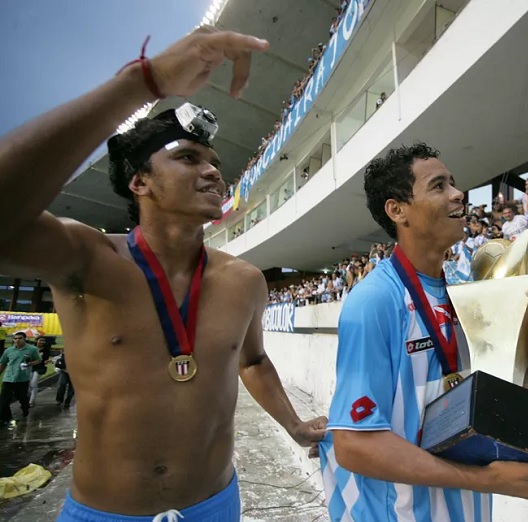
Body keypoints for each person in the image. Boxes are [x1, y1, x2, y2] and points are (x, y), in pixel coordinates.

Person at [0, 28, 326, 520]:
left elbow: (253, 362)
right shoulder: (86, 260)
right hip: (105, 512)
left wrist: (295, 425)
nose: (215, 171)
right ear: (139, 181)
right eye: (188, 158)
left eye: (215, 161)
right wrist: (140, 83)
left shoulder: (243, 281)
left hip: (214, 505)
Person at [318, 143, 528, 521]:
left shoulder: (463, 294)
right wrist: (486, 480)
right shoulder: (375, 300)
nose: (457, 193)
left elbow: (509, 386)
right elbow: (353, 445)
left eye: (453, 182)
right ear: (397, 210)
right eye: (438, 186)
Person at [0, 332, 42, 423]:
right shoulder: (8, 350)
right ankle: (6, 419)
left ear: (24, 339)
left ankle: (25, 410)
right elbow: (3, 363)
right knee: (4, 400)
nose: (17, 340)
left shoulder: (32, 349)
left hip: (22, 378)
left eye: (20, 338)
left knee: (23, 398)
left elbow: (38, 360)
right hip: (8, 378)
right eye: (15, 338)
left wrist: (30, 364)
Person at [28, 335, 51, 407]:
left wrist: (47, 361)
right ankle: (27, 400)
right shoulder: (32, 349)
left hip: (40, 368)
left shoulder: (46, 350)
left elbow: (46, 359)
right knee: (28, 384)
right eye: (40, 340)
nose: (42, 342)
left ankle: (32, 401)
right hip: (31, 367)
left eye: (43, 341)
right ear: (36, 341)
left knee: (33, 384)